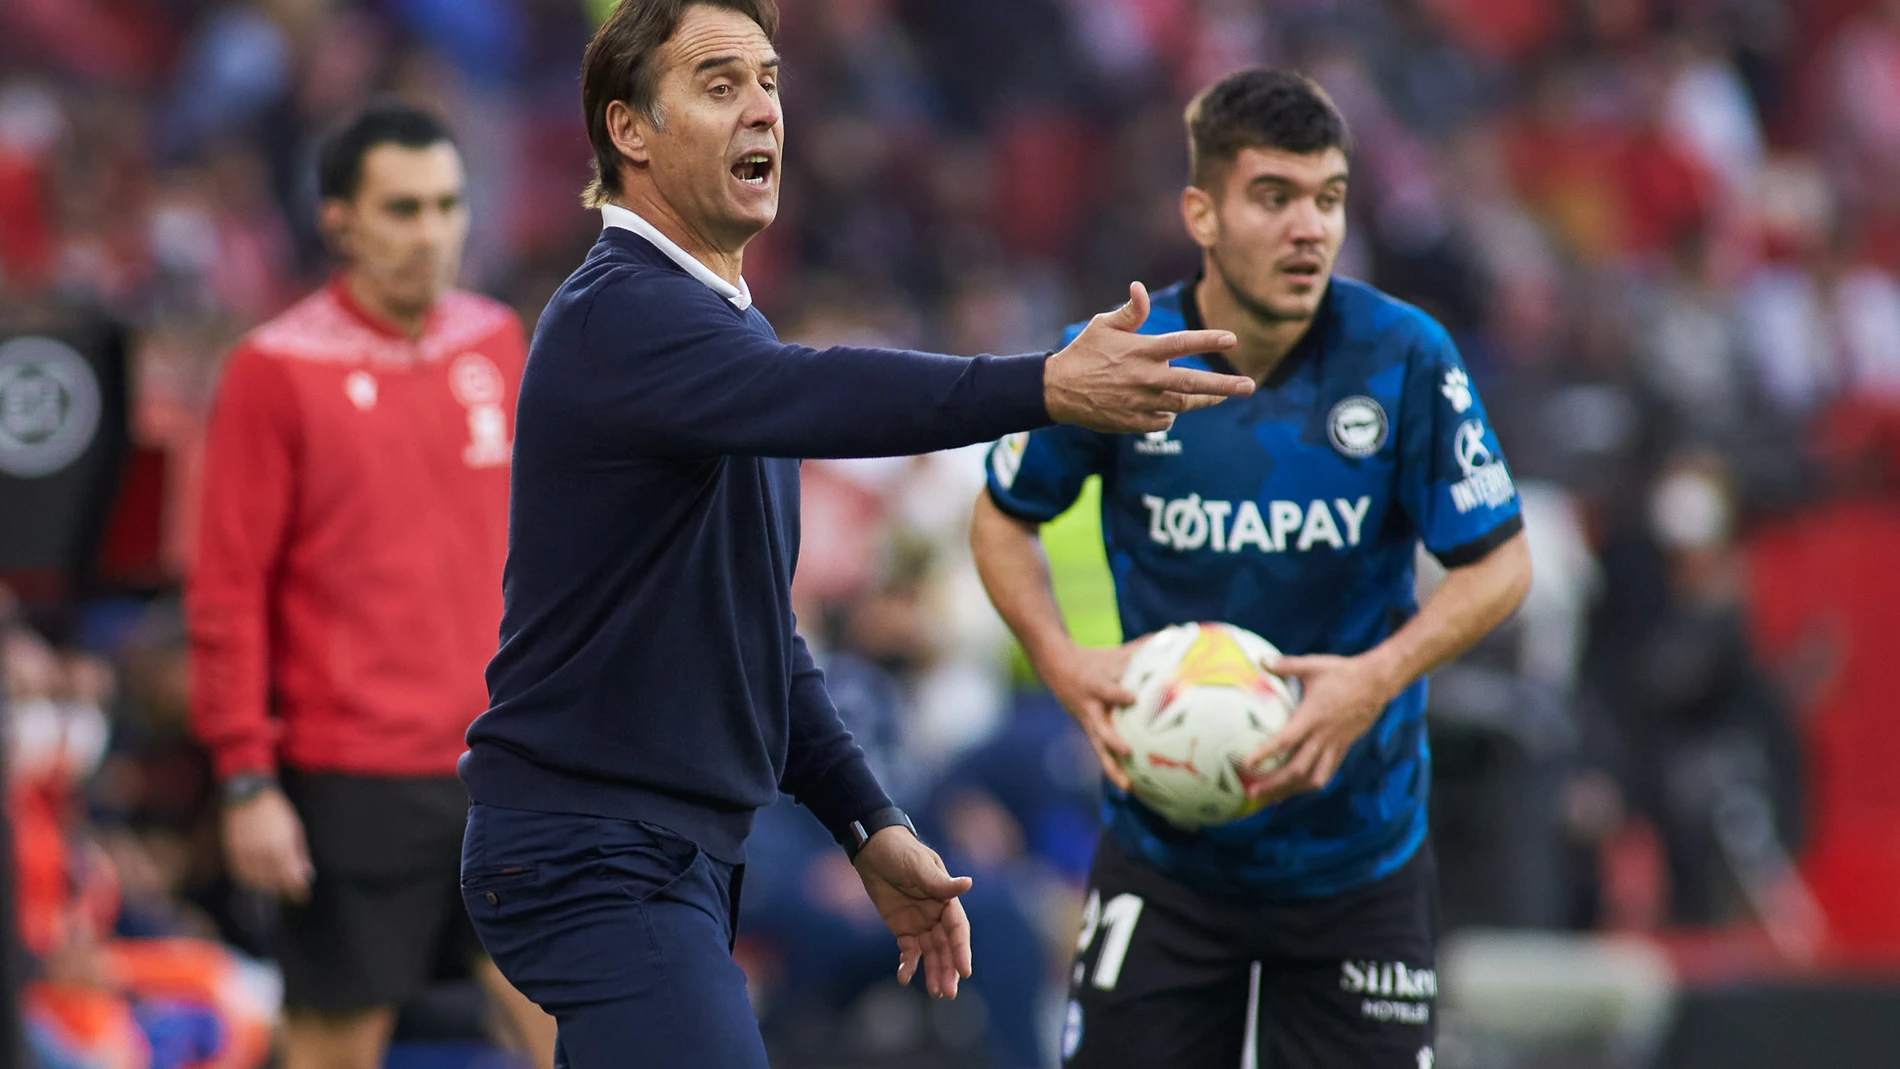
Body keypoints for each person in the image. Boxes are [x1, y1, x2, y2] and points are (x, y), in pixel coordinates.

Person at [453, 1, 1255, 1066]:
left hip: (655, 850)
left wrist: (870, 825)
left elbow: (762, 639)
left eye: (770, 81)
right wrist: (1047, 384)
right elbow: (828, 390)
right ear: (629, 129)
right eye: (718, 83)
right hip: (594, 851)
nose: (762, 113)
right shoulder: (622, 313)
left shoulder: (717, 336)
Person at [970, 69, 1533, 1069]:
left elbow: (1501, 563)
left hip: (1358, 857)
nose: (1309, 227)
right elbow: (1001, 516)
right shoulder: (1125, 357)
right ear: (1202, 210)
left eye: (1328, 197)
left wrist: (1375, 679)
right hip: (1163, 856)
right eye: (1274, 196)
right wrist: (1061, 660)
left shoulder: (1403, 358)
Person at [187, 104, 556, 1069]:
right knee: (333, 1053)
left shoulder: (497, 339)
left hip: (509, 764)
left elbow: (547, 548)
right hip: (352, 779)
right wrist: (245, 780)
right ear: (339, 222)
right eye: (401, 208)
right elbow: (227, 588)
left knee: (584, 1032)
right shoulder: (275, 368)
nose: (431, 232)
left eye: (447, 204)